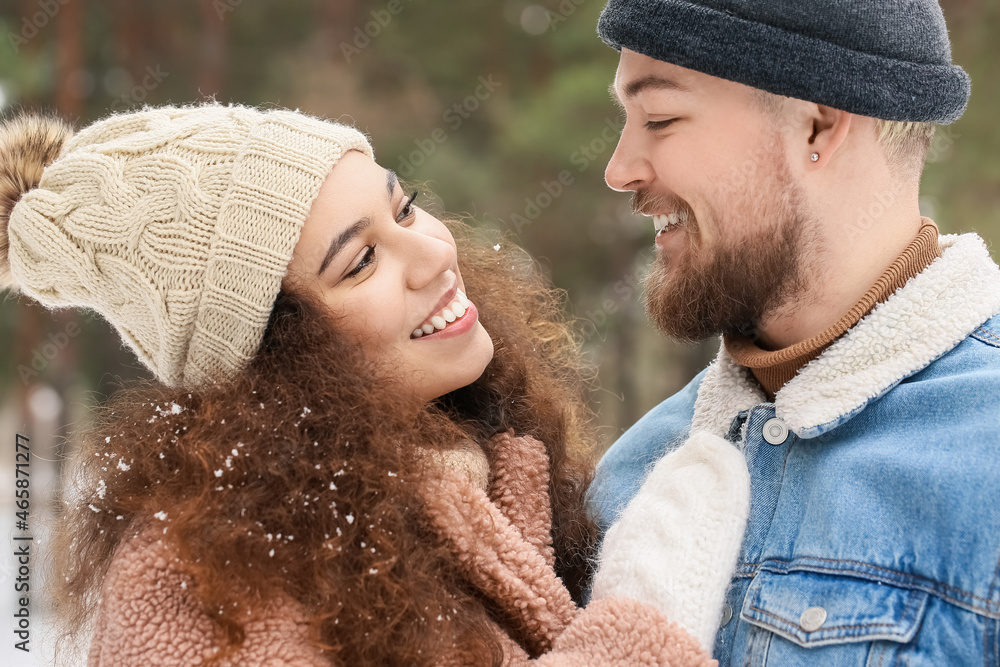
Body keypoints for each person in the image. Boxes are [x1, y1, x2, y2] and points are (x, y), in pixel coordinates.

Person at [0, 104, 713, 666]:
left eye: (404, 208)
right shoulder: (204, 581)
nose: (436, 251)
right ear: (274, 362)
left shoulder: (491, 461)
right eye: (362, 259)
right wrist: (646, 612)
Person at [586, 0, 1000, 664]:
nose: (621, 168)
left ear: (819, 122)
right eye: (626, 122)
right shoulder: (632, 478)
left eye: (660, 119)